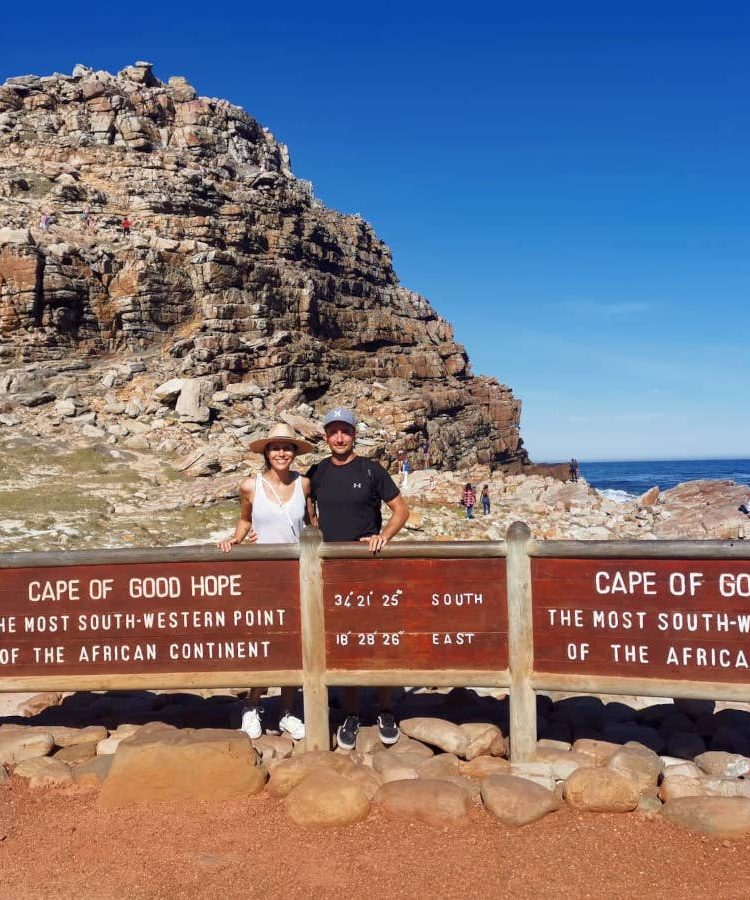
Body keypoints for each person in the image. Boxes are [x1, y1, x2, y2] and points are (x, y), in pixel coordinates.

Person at [307, 407, 409, 750]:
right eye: (333, 431)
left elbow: (401, 509)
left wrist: (386, 537)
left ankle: (385, 709)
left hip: (369, 569)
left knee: (378, 638)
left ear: (354, 436)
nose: (339, 437)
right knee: (344, 641)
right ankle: (350, 713)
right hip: (331, 570)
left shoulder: (370, 470)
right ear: (325, 436)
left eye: (345, 432)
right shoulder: (317, 472)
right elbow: (305, 506)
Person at [218, 423, 314, 741]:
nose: (282, 453)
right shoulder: (250, 485)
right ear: (266, 453)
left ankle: (286, 712)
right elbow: (246, 518)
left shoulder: (305, 484)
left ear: (295, 452)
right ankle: (253, 704)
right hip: (263, 574)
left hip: (298, 573)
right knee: (264, 640)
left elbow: (312, 525)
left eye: (287, 447)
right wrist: (235, 539)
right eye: (275, 447)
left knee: (293, 643)